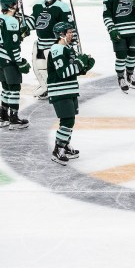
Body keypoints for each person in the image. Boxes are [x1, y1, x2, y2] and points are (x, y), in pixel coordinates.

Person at [47, 22, 95, 165]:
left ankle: (65, 145)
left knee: (68, 120)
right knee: (68, 121)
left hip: (70, 88)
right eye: (69, 32)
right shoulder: (57, 49)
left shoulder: (68, 49)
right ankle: (58, 149)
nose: (72, 34)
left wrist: (85, 66)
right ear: (61, 34)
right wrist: (80, 63)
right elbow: (63, 73)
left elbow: (73, 70)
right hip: (60, 90)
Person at [0, 0, 33, 130]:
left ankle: (3, 117)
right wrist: (19, 61)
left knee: (6, 88)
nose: (17, 5)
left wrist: (20, 35)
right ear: (10, 5)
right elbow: (12, 46)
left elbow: (3, 39)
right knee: (14, 88)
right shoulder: (12, 21)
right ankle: (14, 118)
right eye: (15, 3)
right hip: (9, 59)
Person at [31, 0, 75, 100]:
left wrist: (71, 42)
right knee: (40, 68)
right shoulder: (38, 6)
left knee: (54, 68)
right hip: (40, 43)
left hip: (54, 44)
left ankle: (58, 88)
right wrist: (23, 24)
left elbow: (70, 26)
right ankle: (47, 87)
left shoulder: (62, 6)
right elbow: (33, 22)